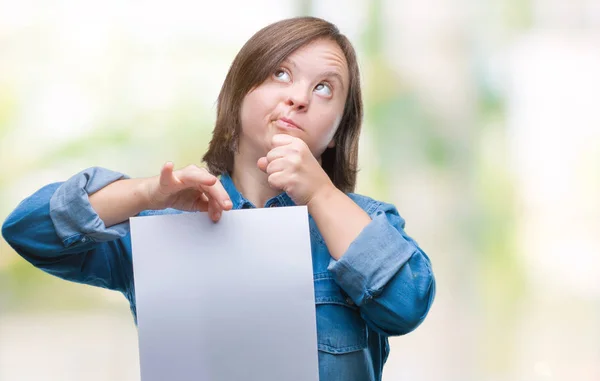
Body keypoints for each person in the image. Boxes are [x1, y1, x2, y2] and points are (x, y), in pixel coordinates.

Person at [2, 16, 435, 381]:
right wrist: (145, 193)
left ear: (339, 127)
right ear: (238, 92)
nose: (299, 97)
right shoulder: (159, 226)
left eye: (324, 88)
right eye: (280, 73)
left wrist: (320, 191)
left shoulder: (367, 222)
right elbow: (29, 231)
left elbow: (406, 305)